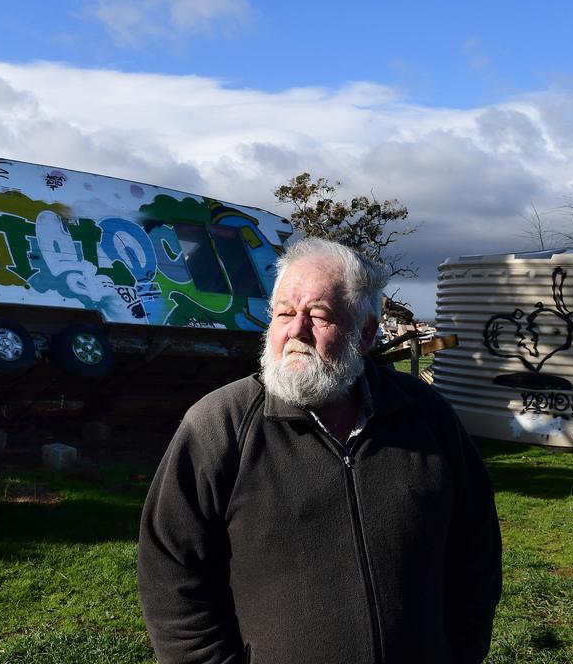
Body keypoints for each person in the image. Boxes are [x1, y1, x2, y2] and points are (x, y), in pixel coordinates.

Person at [138, 238, 502, 664]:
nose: (296, 331)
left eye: (319, 316)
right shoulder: (220, 425)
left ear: (365, 334)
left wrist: (459, 653)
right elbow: (171, 574)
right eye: (285, 314)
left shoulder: (426, 417)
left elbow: (475, 550)